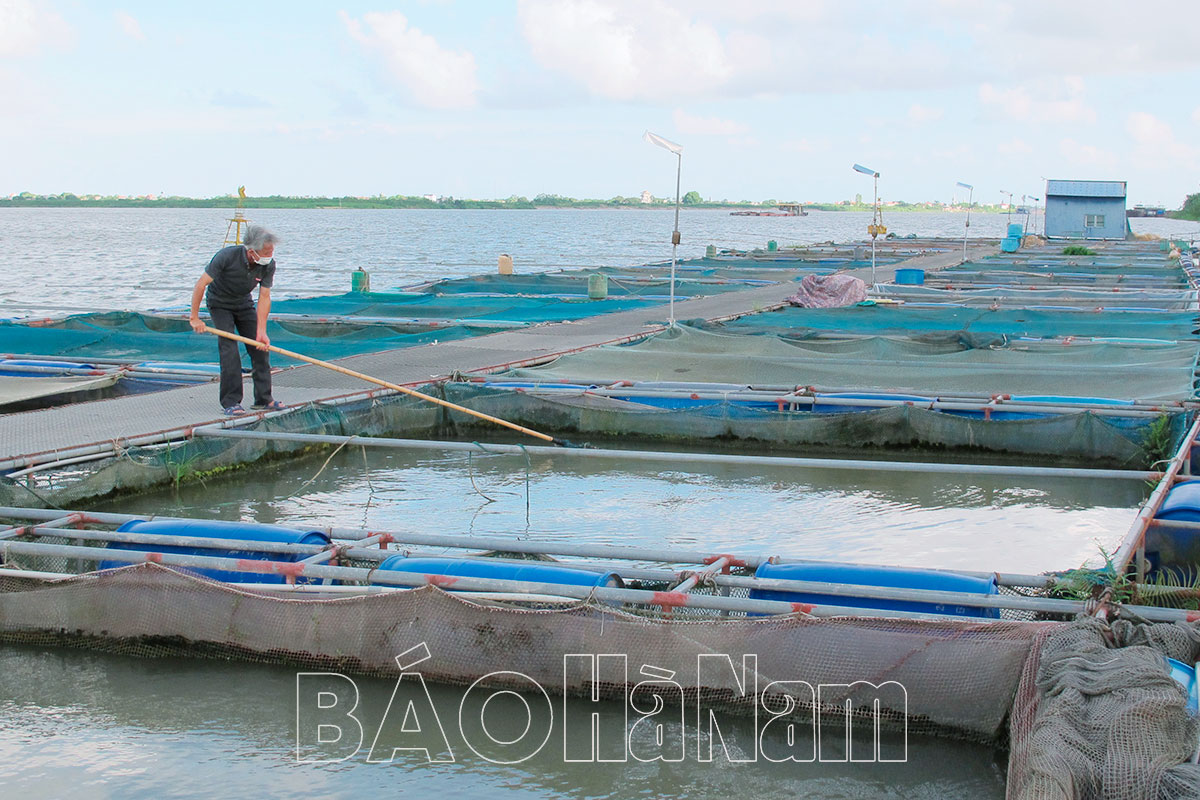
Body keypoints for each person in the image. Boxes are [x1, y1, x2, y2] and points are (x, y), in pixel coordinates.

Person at [189, 225, 284, 415]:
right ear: (251, 251)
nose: (269, 255)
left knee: (260, 348)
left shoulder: (268, 265)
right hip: (220, 304)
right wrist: (195, 318)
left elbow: (264, 297)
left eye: (271, 251)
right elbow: (200, 285)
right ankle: (231, 402)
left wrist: (262, 331)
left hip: (243, 303)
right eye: (266, 251)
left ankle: (263, 398)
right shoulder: (226, 256)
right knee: (229, 350)